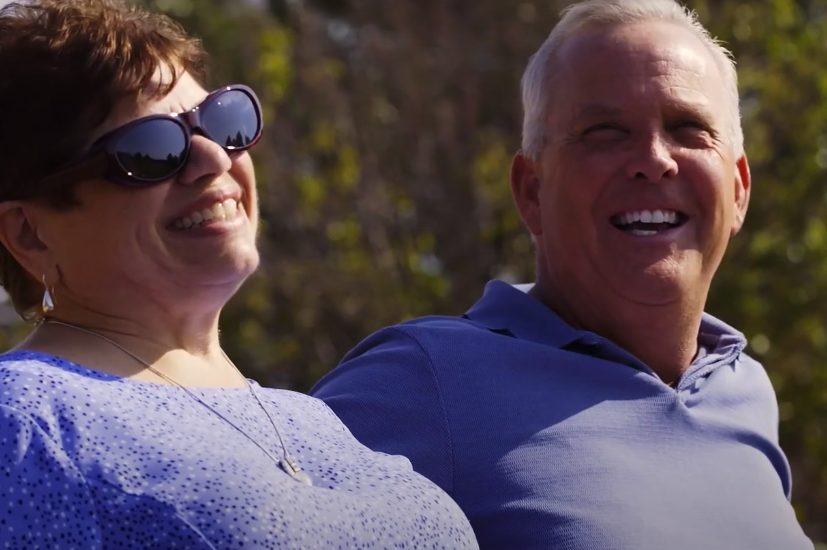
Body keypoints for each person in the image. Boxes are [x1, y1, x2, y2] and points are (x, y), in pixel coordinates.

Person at [312, 0, 815, 548]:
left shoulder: (745, 393)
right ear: (532, 190)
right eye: (605, 132)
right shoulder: (423, 379)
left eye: (688, 128)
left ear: (739, 189)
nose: (654, 158)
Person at [0, 1, 478, 548]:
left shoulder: (311, 418)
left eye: (222, 122)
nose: (214, 159)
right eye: (152, 149)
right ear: (29, 232)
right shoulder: (24, 424)